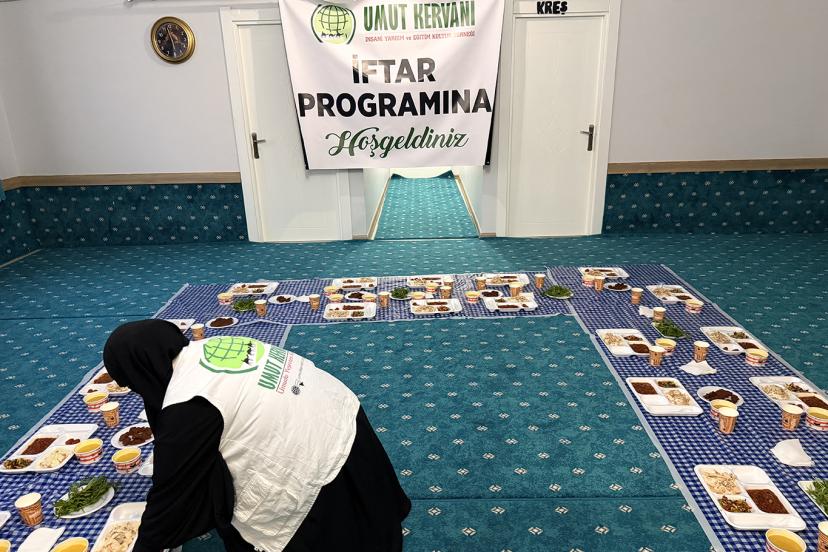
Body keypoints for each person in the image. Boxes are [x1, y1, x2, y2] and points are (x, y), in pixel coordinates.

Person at [103, 319, 411, 552]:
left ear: (141, 371)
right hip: (343, 417)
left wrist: (145, 545)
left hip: (314, 456)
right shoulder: (212, 345)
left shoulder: (189, 405)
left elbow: (172, 494)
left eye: (132, 383)